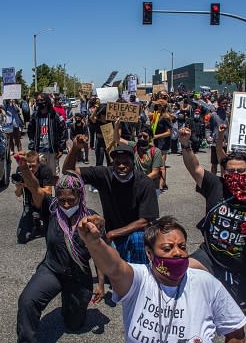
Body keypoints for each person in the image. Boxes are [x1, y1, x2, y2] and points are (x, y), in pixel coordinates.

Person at [77, 215, 246, 343]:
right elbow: (114, 266)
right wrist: (95, 242)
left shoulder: (207, 284)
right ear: (149, 253)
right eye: (167, 248)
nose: (177, 252)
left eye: (182, 247)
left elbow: (235, 332)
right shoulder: (138, 279)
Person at [14, 160, 105, 343]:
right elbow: (34, 188)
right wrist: (25, 168)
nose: (65, 203)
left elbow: (100, 256)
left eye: (70, 200)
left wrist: (101, 285)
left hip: (78, 275)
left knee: (74, 324)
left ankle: (71, 305)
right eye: (62, 198)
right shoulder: (52, 208)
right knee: (27, 300)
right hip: (52, 269)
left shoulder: (91, 218)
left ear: (80, 197)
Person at [179, 126, 246, 311]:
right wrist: (185, 143)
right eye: (230, 171)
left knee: (240, 308)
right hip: (210, 254)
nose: (235, 175)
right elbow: (194, 167)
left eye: (241, 171)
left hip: (242, 262)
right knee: (180, 272)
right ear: (223, 171)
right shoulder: (215, 185)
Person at [63, 137, 159, 265]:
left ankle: (140, 276)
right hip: (111, 234)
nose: (121, 166)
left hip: (133, 233)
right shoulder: (104, 174)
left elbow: (145, 221)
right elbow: (68, 172)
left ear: (133, 163)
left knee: (138, 238)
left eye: (126, 162)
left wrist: (112, 234)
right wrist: (75, 148)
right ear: (112, 163)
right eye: (117, 162)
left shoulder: (145, 183)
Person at [13, 151, 54, 244]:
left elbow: (48, 191)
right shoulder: (21, 170)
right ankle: (35, 222)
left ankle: (41, 221)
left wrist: (31, 186)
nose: (31, 169)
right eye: (29, 166)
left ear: (39, 163)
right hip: (29, 205)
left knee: (52, 237)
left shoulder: (45, 170)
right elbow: (17, 194)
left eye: (33, 166)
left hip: (44, 204)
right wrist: (19, 187)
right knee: (21, 239)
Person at [27, 93, 66, 176]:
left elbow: (63, 130)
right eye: (37, 100)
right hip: (39, 150)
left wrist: (61, 148)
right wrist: (32, 145)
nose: (39, 102)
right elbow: (30, 131)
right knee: (41, 175)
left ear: (47, 101)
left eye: (42, 100)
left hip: (52, 150)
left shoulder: (55, 115)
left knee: (54, 174)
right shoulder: (35, 116)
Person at [114, 122, 163, 188]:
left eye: (145, 137)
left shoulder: (156, 151)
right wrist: (116, 126)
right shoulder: (134, 146)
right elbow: (118, 139)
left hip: (150, 186)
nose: (142, 138)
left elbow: (155, 173)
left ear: (150, 137)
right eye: (140, 136)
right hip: (135, 185)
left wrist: (139, 181)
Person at [149, 98, 172, 191]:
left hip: (163, 143)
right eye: (156, 105)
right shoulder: (157, 115)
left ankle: (162, 185)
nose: (156, 107)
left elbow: (169, 132)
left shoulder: (166, 117)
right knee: (157, 164)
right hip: (157, 142)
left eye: (158, 105)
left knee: (161, 165)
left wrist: (157, 136)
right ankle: (161, 183)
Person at [209, 96, 230, 174]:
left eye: (226, 103)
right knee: (214, 163)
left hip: (226, 143)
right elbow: (208, 127)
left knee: (224, 164)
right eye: (223, 103)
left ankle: (223, 180)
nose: (225, 105)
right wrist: (208, 137)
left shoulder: (229, 115)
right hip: (215, 143)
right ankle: (213, 181)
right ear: (218, 103)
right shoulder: (213, 115)